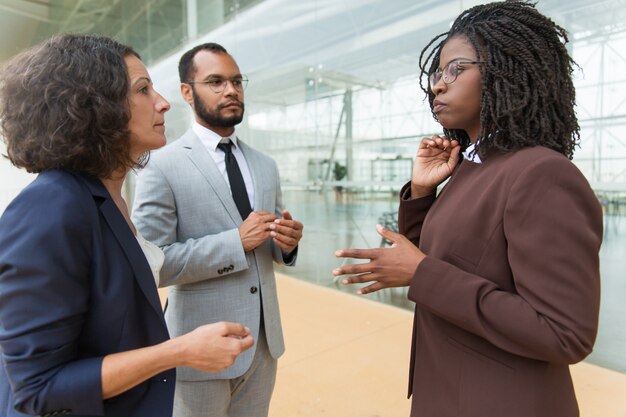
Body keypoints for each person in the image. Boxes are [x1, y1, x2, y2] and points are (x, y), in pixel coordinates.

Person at [333, 2, 603, 416]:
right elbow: (447, 261)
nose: (438, 86)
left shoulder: (542, 174)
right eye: (437, 74)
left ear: (505, 71)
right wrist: (423, 192)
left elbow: (565, 333)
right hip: (447, 392)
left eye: (456, 69)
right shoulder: (472, 167)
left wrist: (420, 273)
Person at [0, 34, 254, 417]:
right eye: (143, 90)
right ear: (94, 106)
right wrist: (181, 350)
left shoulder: (106, 197)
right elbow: (39, 387)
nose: (164, 102)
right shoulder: (51, 206)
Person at [131, 42, 303, 417]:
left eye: (237, 81)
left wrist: (286, 245)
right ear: (186, 92)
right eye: (216, 81)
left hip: (263, 346)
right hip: (199, 349)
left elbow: (269, 245)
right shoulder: (162, 166)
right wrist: (234, 243)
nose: (231, 90)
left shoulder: (265, 165)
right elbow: (151, 263)